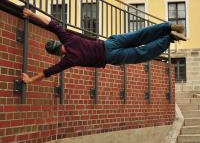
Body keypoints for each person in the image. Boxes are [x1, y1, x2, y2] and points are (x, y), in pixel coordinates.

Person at [22, 8, 187, 84]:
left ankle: (168, 38)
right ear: (59, 44)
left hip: (109, 57)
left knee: (141, 53)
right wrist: (31, 14)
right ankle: (168, 27)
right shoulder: (67, 38)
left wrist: (30, 80)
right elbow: (50, 23)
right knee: (140, 35)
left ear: (57, 53)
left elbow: (47, 72)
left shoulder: (68, 60)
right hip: (109, 42)